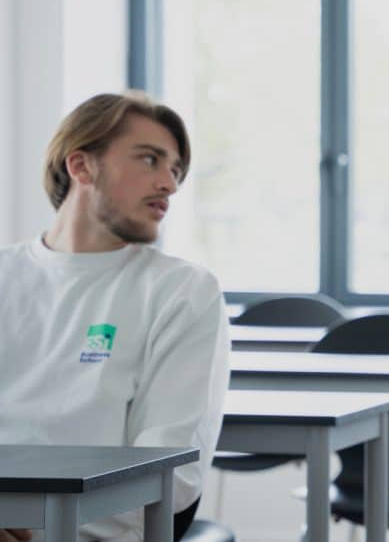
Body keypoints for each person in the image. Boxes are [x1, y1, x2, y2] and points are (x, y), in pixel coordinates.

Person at [0, 92, 230, 541]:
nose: (169, 183)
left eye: (176, 170)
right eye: (150, 159)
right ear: (81, 166)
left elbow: (173, 475)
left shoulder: (182, 292)